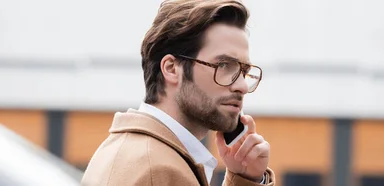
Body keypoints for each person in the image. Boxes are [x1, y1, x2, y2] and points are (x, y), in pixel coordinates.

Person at [81, 0, 274, 185]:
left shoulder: (126, 150)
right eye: (223, 65)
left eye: (244, 71)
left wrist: (244, 179)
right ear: (172, 69)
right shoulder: (160, 171)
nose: (242, 86)